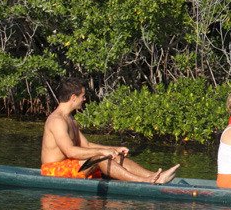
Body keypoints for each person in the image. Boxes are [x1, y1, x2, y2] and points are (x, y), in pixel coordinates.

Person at [41, 78, 178, 183]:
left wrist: (114, 149)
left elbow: (86, 145)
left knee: (113, 155)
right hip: (54, 170)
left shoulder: (70, 119)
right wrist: (102, 152)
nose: (84, 99)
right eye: (82, 96)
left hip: (70, 165)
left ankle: (155, 176)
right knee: (101, 157)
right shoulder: (57, 121)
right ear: (73, 97)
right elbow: (70, 151)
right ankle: (144, 181)